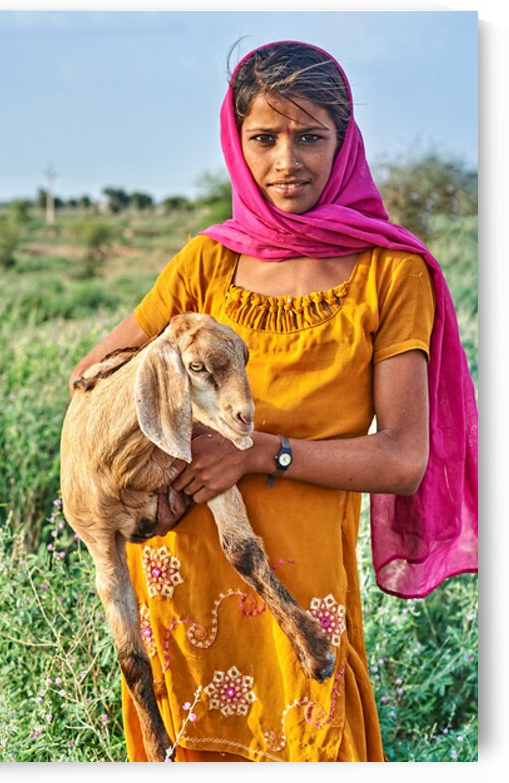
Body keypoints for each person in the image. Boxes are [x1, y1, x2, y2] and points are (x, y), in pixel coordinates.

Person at [70, 41, 478, 762]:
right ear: (237, 143)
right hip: (177, 569)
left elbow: (403, 459)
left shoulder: (390, 273)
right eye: (263, 138)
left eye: (309, 136)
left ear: (343, 141)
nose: (286, 160)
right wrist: (146, 477)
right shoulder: (206, 263)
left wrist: (260, 453)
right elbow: (96, 375)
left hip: (299, 585)